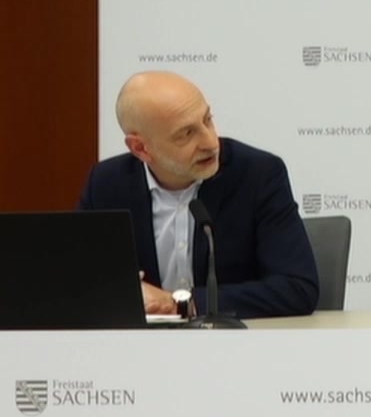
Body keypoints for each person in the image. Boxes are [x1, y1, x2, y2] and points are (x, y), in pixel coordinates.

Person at [78, 71, 319, 318]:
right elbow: (77, 283)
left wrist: (181, 303)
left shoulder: (257, 174)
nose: (210, 143)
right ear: (141, 148)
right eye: (186, 134)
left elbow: (297, 288)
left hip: (232, 338)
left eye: (207, 120)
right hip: (138, 340)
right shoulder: (106, 184)